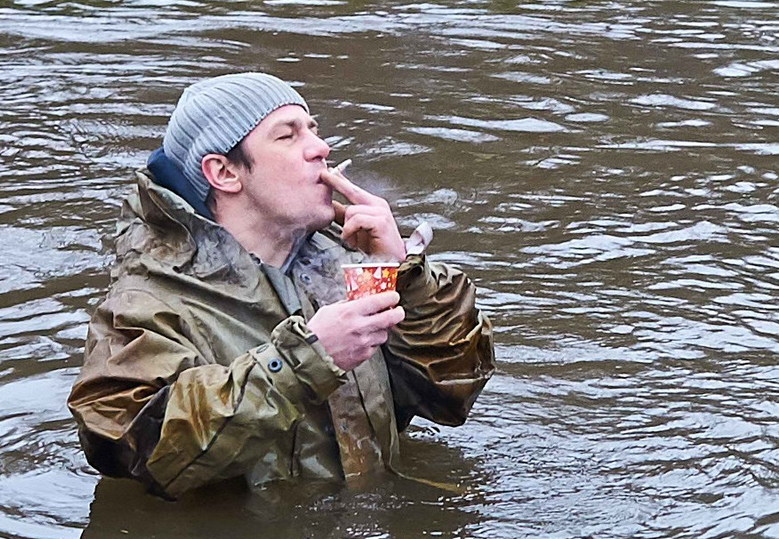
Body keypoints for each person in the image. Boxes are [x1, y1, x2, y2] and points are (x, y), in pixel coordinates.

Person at [69, 73, 495, 497]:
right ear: (224, 172)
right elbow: (139, 447)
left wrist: (404, 273)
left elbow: (452, 390)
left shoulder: (345, 268)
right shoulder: (147, 303)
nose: (321, 148)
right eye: (287, 136)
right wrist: (305, 359)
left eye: (313, 128)